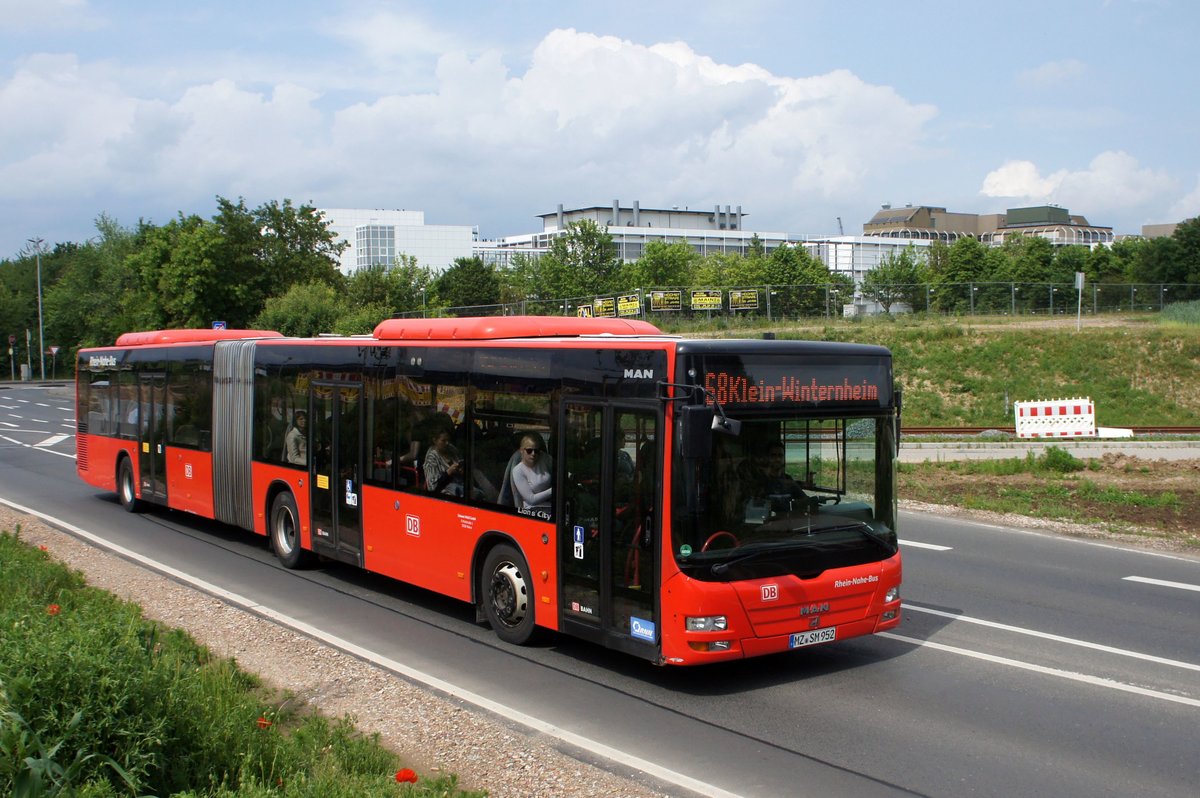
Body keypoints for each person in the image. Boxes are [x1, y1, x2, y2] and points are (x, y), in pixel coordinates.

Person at [510, 432, 553, 517]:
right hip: (533, 509)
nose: (533, 454)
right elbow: (531, 500)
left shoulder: (544, 458)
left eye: (536, 451)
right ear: (521, 451)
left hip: (552, 504)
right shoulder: (518, 470)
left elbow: (558, 470)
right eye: (529, 451)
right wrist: (554, 490)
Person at [424, 427, 465, 496]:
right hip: (444, 491)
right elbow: (433, 487)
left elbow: (459, 460)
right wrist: (449, 472)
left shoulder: (451, 449)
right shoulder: (431, 458)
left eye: (448, 440)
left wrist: (461, 469)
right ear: (435, 440)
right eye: (443, 440)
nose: (447, 443)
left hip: (460, 484)